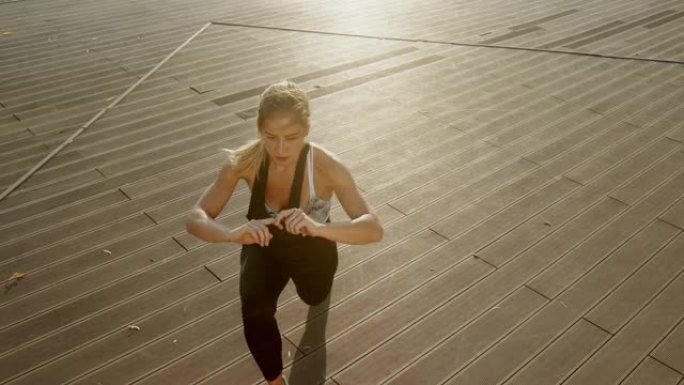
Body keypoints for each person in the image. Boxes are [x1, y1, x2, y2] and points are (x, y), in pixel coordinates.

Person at [186, 80, 384, 385]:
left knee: (313, 295)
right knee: (254, 311)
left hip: (314, 248)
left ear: (306, 130)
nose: (280, 149)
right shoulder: (244, 162)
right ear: (259, 130)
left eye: (291, 138)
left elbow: (373, 228)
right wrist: (231, 234)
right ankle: (276, 382)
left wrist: (318, 227)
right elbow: (195, 218)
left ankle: (318, 289)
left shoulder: (327, 166)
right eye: (270, 137)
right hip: (263, 244)